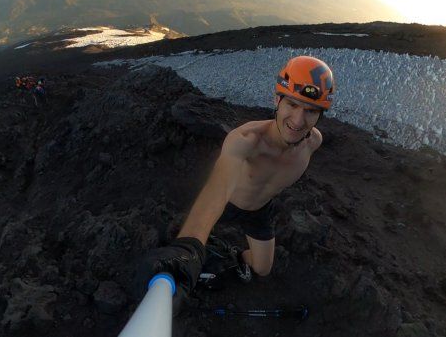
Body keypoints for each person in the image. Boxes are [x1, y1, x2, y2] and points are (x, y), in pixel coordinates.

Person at [136, 55, 335, 305]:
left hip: (260, 210)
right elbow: (217, 190)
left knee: (262, 268)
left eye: (310, 111)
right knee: (182, 233)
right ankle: (196, 247)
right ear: (277, 99)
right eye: (292, 105)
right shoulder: (246, 140)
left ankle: (231, 257)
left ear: (320, 115)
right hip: (227, 203)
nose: (298, 120)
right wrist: (188, 248)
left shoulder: (313, 142)